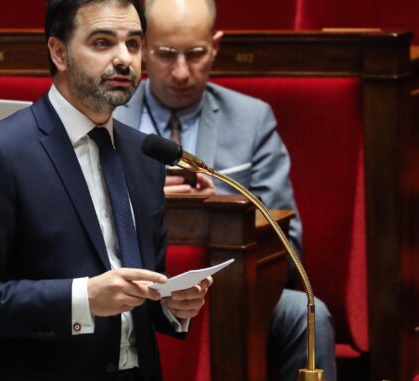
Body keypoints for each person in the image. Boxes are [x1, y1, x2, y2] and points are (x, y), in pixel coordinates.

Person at [0, 1, 210, 380]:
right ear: (58, 52)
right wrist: (82, 299)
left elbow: (141, 282)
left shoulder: (146, 154)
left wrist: (171, 304)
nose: (123, 59)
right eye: (102, 43)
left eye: (133, 44)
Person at [113, 0, 337, 380]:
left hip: (231, 292)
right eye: (167, 54)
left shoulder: (252, 119)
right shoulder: (109, 117)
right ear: (143, 47)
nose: (181, 72)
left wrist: (216, 203)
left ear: (215, 46)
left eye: (196, 54)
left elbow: (288, 245)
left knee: (306, 315)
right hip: (133, 290)